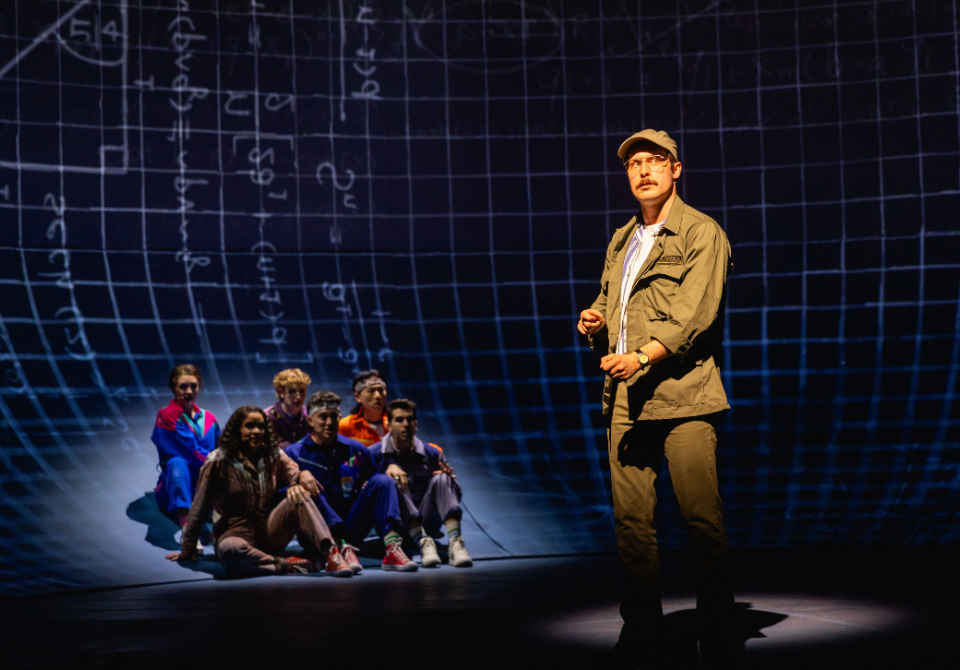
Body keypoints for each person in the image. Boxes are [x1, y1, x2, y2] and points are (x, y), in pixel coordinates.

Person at [578, 129, 734, 667]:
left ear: (676, 169)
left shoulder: (701, 232)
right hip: (628, 400)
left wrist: (642, 356)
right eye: (634, 163)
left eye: (655, 161)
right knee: (631, 523)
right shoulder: (623, 238)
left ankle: (717, 629)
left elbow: (696, 313)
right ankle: (642, 627)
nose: (643, 170)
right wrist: (595, 320)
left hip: (685, 397)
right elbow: (610, 301)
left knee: (702, 522)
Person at [165, 405, 353, 577]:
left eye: (261, 426)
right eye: (250, 426)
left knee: (299, 494)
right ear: (238, 429)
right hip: (235, 533)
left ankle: (332, 555)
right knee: (231, 552)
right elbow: (198, 505)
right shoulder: (217, 461)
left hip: (270, 530)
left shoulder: (274, 455)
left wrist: (303, 474)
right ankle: (286, 565)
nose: (256, 431)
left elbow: (294, 472)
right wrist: (188, 549)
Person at [287, 391, 420, 572]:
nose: (329, 422)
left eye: (333, 416)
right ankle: (337, 548)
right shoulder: (294, 453)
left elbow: (375, 479)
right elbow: (281, 492)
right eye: (322, 417)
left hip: (351, 528)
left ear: (339, 418)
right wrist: (298, 478)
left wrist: (390, 468)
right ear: (310, 421)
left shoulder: (354, 448)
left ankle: (392, 549)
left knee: (383, 481)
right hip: (317, 534)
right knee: (308, 489)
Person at [369, 399, 472, 568]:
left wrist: (449, 483)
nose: (406, 424)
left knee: (442, 478)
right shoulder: (373, 454)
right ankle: (423, 542)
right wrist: (384, 472)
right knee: (392, 481)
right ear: (388, 425)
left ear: (416, 424)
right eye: (399, 420)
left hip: (427, 521)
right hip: (395, 526)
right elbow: (365, 496)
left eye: (409, 419)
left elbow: (456, 496)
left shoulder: (432, 454)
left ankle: (455, 543)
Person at [151, 364, 220, 555]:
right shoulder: (166, 416)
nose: (188, 392)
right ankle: (189, 532)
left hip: (204, 486)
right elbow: (189, 450)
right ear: (173, 388)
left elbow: (220, 448)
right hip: (175, 487)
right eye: (183, 387)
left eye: (193, 386)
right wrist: (215, 461)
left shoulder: (209, 418)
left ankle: (220, 531)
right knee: (177, 463)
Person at [338, 369, 388, 446]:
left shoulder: (397, 423)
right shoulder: (345, 426)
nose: (377, 396)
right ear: (357, 396)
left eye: (381, 390)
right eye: (371, 391)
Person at [264, 368, 312, 448]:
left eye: (301, 391)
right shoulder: (267, 417)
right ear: (281, 392)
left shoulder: (311, 417)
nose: (298, 396)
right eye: (292, 391)